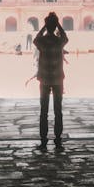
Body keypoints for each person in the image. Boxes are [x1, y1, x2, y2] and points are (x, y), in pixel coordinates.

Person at [32, 11, 69, 149]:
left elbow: (36, 39)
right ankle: (58, 138)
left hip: (45, 80)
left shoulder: (42, 42)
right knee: (58, 110)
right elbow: (65, 37)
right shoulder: (59, 42)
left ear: (47, 26)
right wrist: (57, 24)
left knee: (44, 110)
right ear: (55, 27)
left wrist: (44, 27)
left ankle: (43, 138)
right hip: (58, 79)